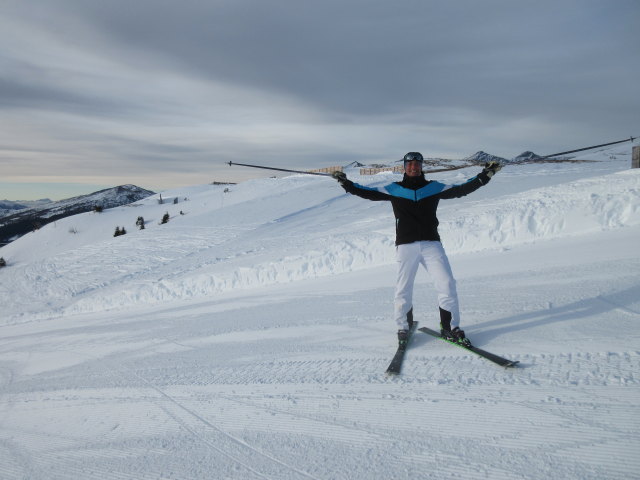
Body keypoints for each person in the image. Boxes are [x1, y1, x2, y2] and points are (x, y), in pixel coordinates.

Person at [332, 152, 501, 349]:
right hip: (406, 245)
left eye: (417, 164)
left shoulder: (434, 187)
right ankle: (403, 327)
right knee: (403, 288)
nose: (413, 167)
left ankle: (450, 327)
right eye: (409, 164)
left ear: (421, 166)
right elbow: (365, 192)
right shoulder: (393, 189)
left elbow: (461, 189)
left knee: (446, 283)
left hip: (431, 244)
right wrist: (345, 182)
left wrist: (485, 175)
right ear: (404, 167)